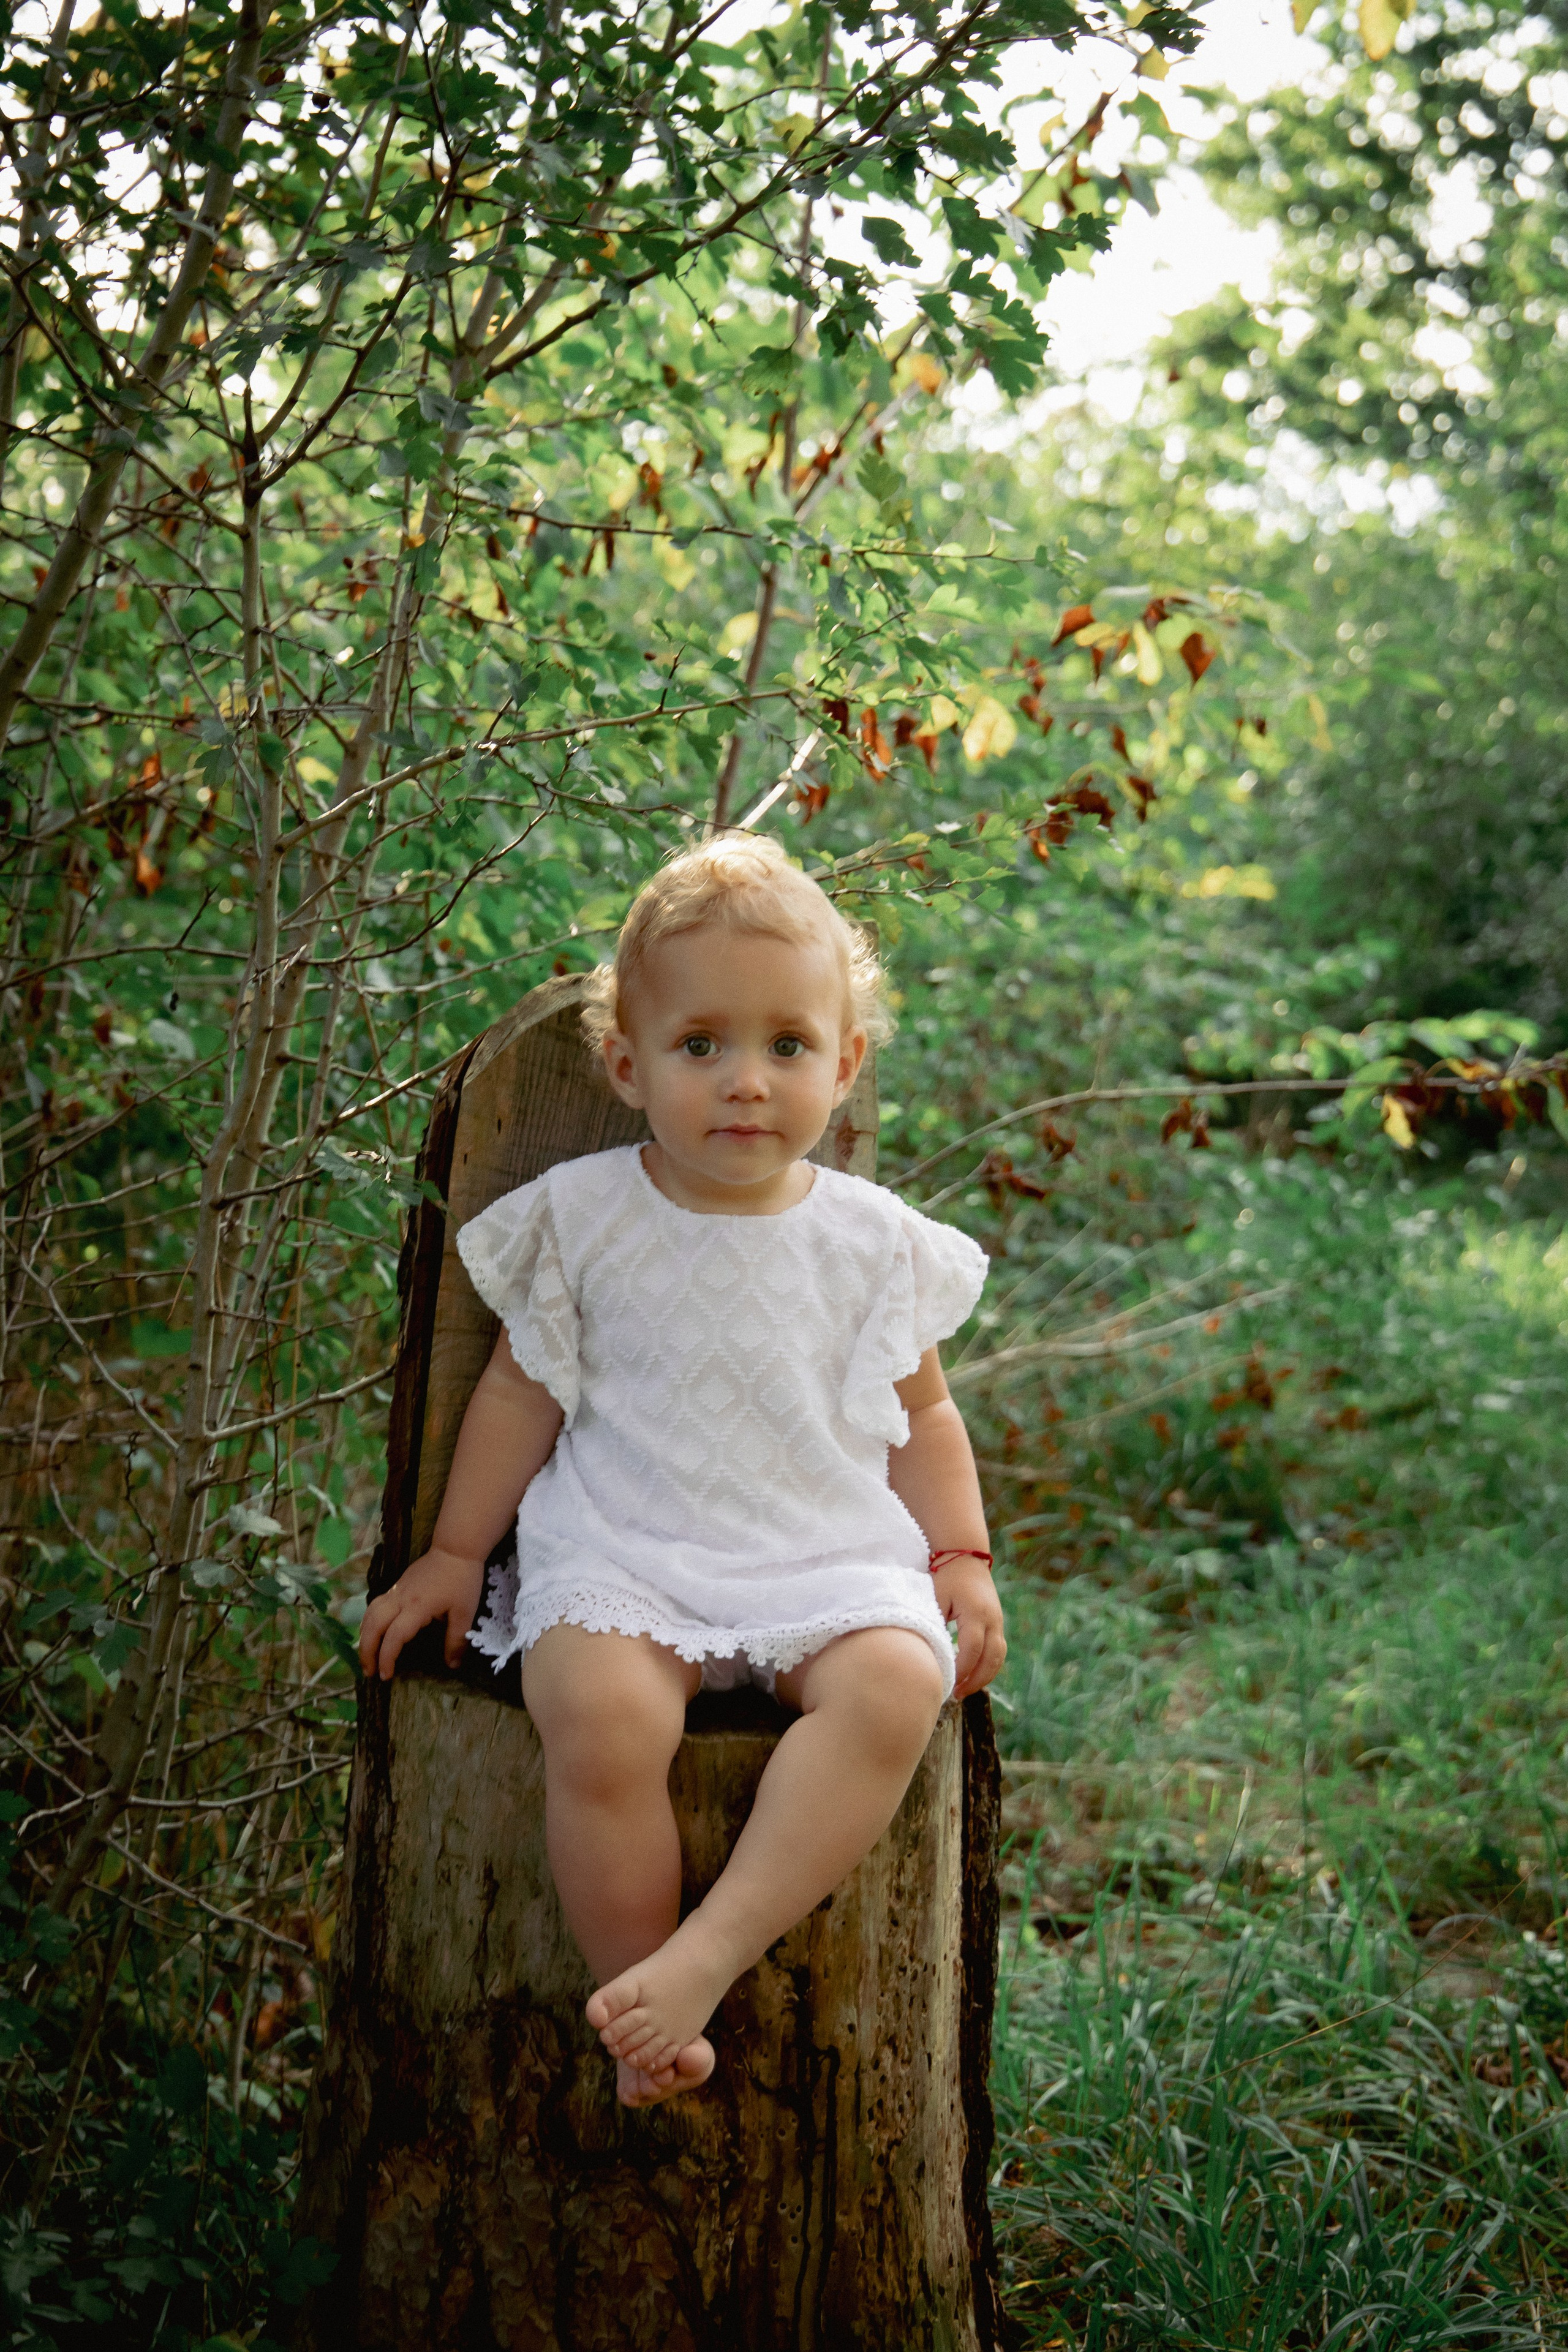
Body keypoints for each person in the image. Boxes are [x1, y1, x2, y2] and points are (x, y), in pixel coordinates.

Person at [358, 834, 1005, 2105]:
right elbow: (517, 1388)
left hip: (816, 1545)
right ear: (626, 1064)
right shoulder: (586, 1216)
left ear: (844, 1063)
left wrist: (960, 1557)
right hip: (627, 1544)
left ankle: (702, 1959)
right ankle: (639, 2000)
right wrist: (451, 1554)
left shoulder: (872, 1243)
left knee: (889, 1689)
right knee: (600, 1720)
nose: (744, 1082)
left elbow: (923, 1417)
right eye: (700, 1045)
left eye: (786, 1047)